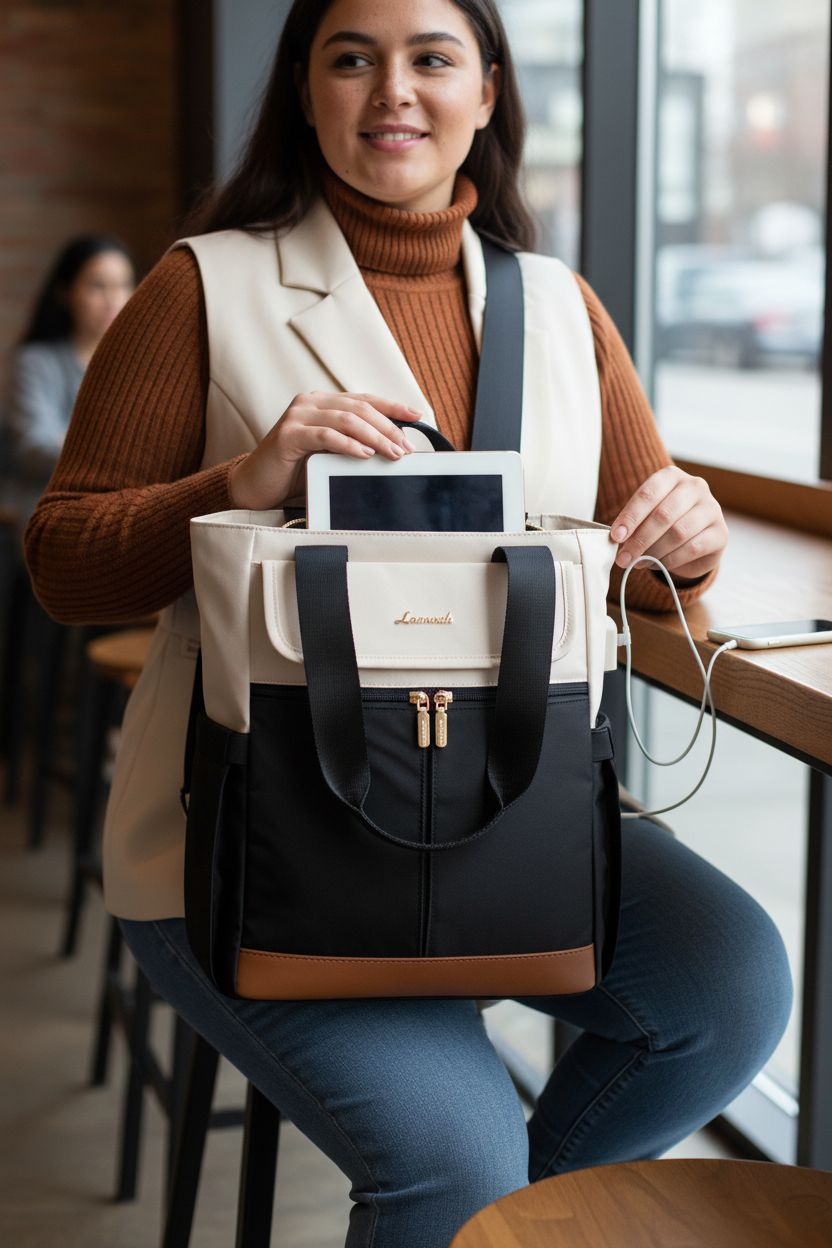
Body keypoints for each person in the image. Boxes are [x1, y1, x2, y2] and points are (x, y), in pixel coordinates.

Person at [24, 3, 792, 1245]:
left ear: (486, 93)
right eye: (351, 58)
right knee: (456, 1160)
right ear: (307, 92)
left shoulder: (561, 310)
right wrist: (239, 481)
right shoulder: (199, 288)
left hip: (510, 817)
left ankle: (490, 1229)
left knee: (731, 985)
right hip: (251, 848)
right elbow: (61, 561)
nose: (393, 90)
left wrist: (685, 551)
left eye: (431, 58)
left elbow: (642, 566)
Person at [3, 235, 135, 528]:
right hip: (48, 500)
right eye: (97, 286)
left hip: (125, 501)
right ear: (65, 292)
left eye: (123, 285)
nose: (113, 300)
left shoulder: (139, 363)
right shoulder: (36, 361)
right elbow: (34, 443)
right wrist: (116, 455)